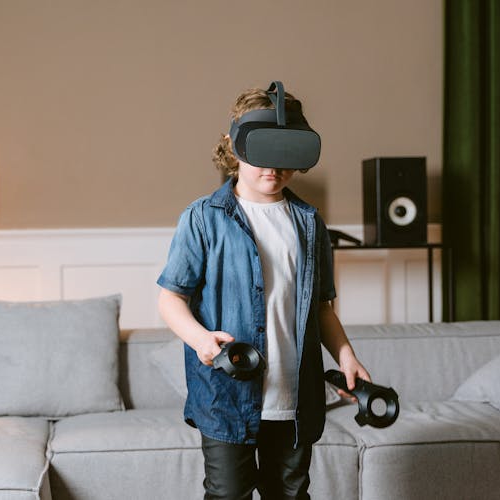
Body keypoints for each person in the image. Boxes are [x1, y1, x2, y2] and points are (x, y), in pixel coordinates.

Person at [157, 82, 370, 500]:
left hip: (294, 399)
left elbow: (323, 308)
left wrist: (347, 356)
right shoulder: (202, 219)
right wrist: (202, 341)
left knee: (290, 494)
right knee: (227, 494)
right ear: (234, 148)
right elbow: (171, 299)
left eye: (284, 154)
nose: (273, 167)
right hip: (227, 396)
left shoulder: (310, 224)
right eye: (262, 153)